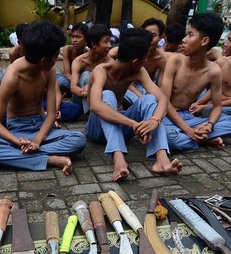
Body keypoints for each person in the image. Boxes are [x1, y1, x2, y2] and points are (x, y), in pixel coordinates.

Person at [0, 21, 86, 176]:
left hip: (42, 126)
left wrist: (37, 141)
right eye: (56, 56)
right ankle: (50, 159)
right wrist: (17, 142)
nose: (57, 60)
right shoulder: (12, 76)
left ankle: (13, 158)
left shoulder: (49, 70)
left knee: (78, 139)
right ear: (43, 60)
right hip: (18, 130)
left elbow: (50, 114)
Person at [86, 28, 182, 181]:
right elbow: (95, 106)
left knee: (149, 99)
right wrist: (133, 124)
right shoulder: (101, 70)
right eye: (145, 58)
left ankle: (162, 160)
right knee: (107, 95)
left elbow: (162, 99)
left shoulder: (139, 71)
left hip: (122, 127)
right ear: (135, 62)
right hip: (96, 129)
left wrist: (154, 120)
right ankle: (118, 158)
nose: (146, 61)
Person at [159, 13, 231, 152]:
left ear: (204, 41)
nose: (184, 40)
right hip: (166, 115)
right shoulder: (175, 61)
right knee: (168, 136)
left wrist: (210, 125)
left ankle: (196, 135)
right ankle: (202, 139)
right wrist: (188, 129)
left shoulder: (213, 71)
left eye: (190, 35)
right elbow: (164, 101)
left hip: (188, 116)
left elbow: (217, 106)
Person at [115, 18, 169, 105]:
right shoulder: (130, 49)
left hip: (145, 88)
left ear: (161, 37)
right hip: (127, 87)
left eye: (153, 35)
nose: (149, 39)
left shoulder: (161, 59)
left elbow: (160, 86)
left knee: (152, 98)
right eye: (146, 35)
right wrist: (139, 96)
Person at [70, 24, 113, 114]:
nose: (110, 45)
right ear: (93, 44)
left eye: (110, 41)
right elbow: (73, 88)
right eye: (106, 42)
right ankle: (93, 113)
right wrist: (87, 90)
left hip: (100, 93)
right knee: (86, 75)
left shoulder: (109, 61)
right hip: (81, 98)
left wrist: (90, 86)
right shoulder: (79, 61)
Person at [58, 22, 89, 92]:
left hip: (82, 81)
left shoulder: (87, 53)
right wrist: (75, 84)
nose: (74, 40)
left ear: (85, 39)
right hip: (69, 79)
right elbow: (67, 73)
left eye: (78, 37)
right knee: (61, 81)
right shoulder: (68, 49)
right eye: (73, 36)